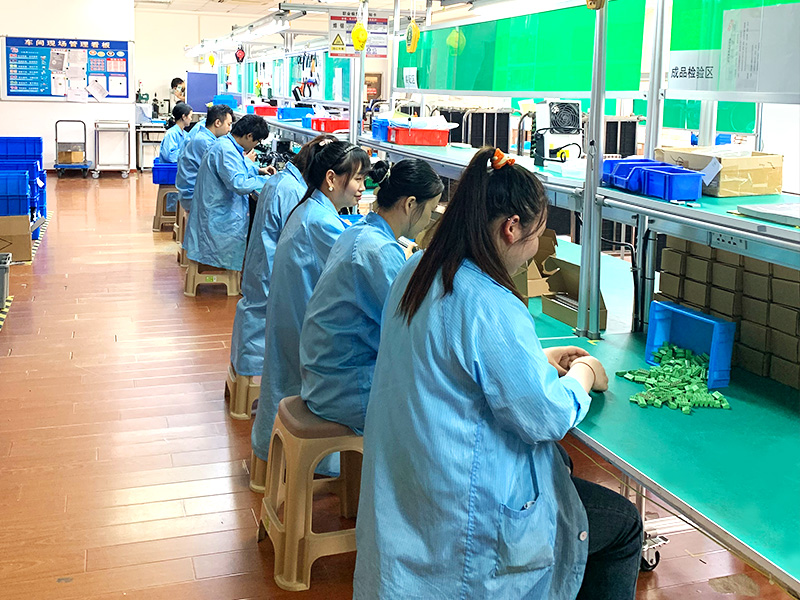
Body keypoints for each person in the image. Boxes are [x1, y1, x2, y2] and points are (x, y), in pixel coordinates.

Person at [353, 148, 643, 600]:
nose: (534, 250)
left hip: (410, 491)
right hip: (462, 522)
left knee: (561, 467)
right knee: (623, 524)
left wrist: (537, 360)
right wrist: (584, 373)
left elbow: (452, 365)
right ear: (512, 228)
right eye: (537, 236)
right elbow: (544, 416)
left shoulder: (417, 270)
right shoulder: (490, 302)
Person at [251, 140, 371, 475]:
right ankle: (330, 464)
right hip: (302, 329)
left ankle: (273, 453)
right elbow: (357, 266)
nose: (363, 188)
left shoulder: (312, 210)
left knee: (283, 383)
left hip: (291, 320)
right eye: (358, 179)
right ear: (331, 179)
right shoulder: (319, 222)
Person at [299, 159, 444, 434]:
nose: (429, 220)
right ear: (410, 204)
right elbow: (410, 325)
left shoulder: (359, 232)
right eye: (431, 209)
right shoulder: (378, 251)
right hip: (345, 388)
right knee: (440, 412)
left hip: (324, 374)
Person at [228, 134, 336, 387]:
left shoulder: (283, 180)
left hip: (262, 270)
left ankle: (246, 372)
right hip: (272, 276)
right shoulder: (293, 192)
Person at [184, 114, 271, 272]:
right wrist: (267, 181)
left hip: (214, 209)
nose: (256, 145)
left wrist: (258, 170)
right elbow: (238, 184)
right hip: (218, 217)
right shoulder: (226, 150)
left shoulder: (226, 144)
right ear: (249, 136)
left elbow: (235, 169)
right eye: (257, 141)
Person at [175, 104, 234, 213]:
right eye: (228, 124)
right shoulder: (206, 143)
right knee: (237, 200)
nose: (229, 129)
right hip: (194, 196)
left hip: (192, 191)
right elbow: (226, 171)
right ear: (217, 123)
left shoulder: (203, 137)